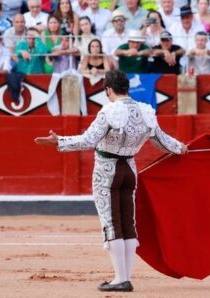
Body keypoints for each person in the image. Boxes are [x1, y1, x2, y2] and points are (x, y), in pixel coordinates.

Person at [34, 69, 187, 293]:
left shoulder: (109, 111)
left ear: (108, 90)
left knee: (112, 223)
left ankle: (120, 279)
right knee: (127, 222)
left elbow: (88, 140)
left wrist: (59, 142)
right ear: (127, 88)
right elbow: (163, 142)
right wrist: (181, 148)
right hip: (129, 170)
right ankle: (124, 277)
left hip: (107, 171)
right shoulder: (145, 111)